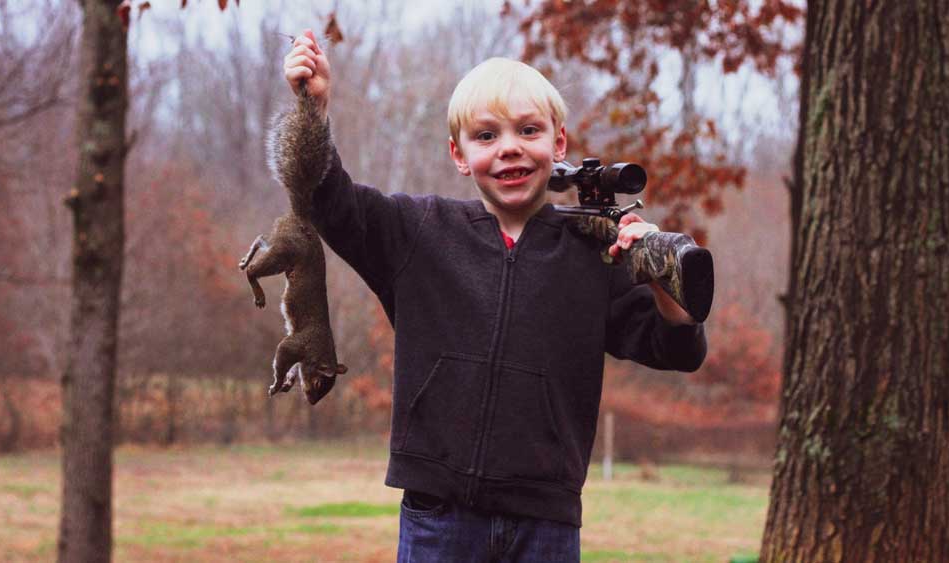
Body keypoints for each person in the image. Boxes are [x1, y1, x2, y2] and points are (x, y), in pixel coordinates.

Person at [276, 29, 707, 563]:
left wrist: (660, 271)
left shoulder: (595, 253)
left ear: (559, 143)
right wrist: (313, 110)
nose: (509, 148)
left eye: (528, 130)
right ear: (459, 154)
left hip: (545, 522)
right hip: (438, 515)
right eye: (486, 136)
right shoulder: (418, 230)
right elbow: (328, 199)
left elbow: (677, 347)